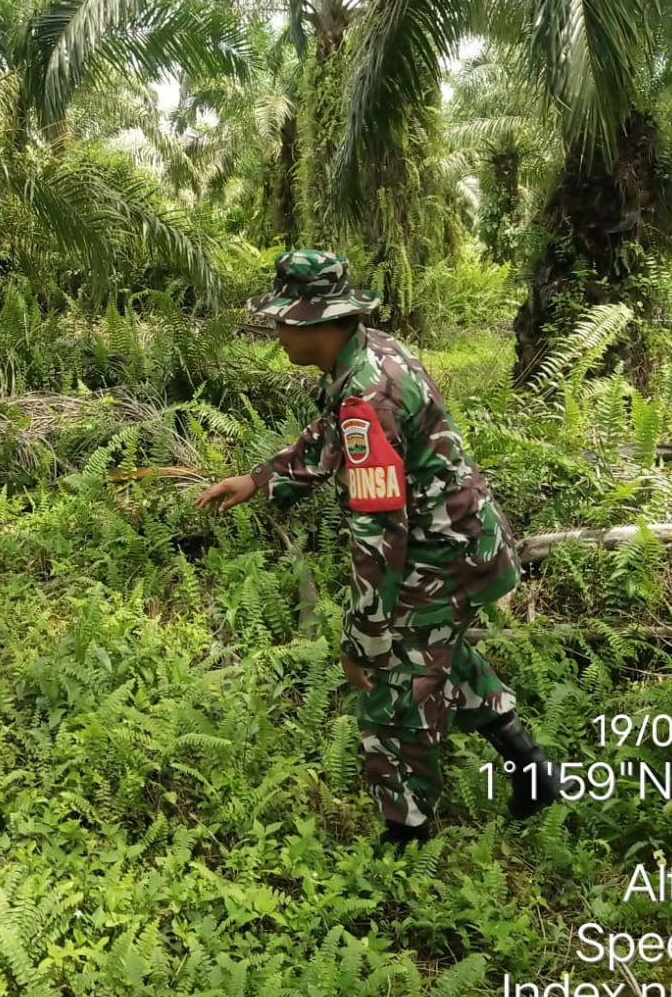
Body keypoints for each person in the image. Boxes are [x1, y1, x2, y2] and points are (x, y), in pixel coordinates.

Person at [195, 249, 560, 844]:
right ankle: (532, 768)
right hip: (469, 541)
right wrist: (260, 478)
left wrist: (364, 639)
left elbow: (379, 531)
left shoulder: (368, 393)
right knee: (434, 650)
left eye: (284, 319)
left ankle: (407, 836)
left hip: (439, 554)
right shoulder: (372, 352)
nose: (277, 330)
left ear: (318, 322)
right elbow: (332, 434)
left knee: (394, 688)